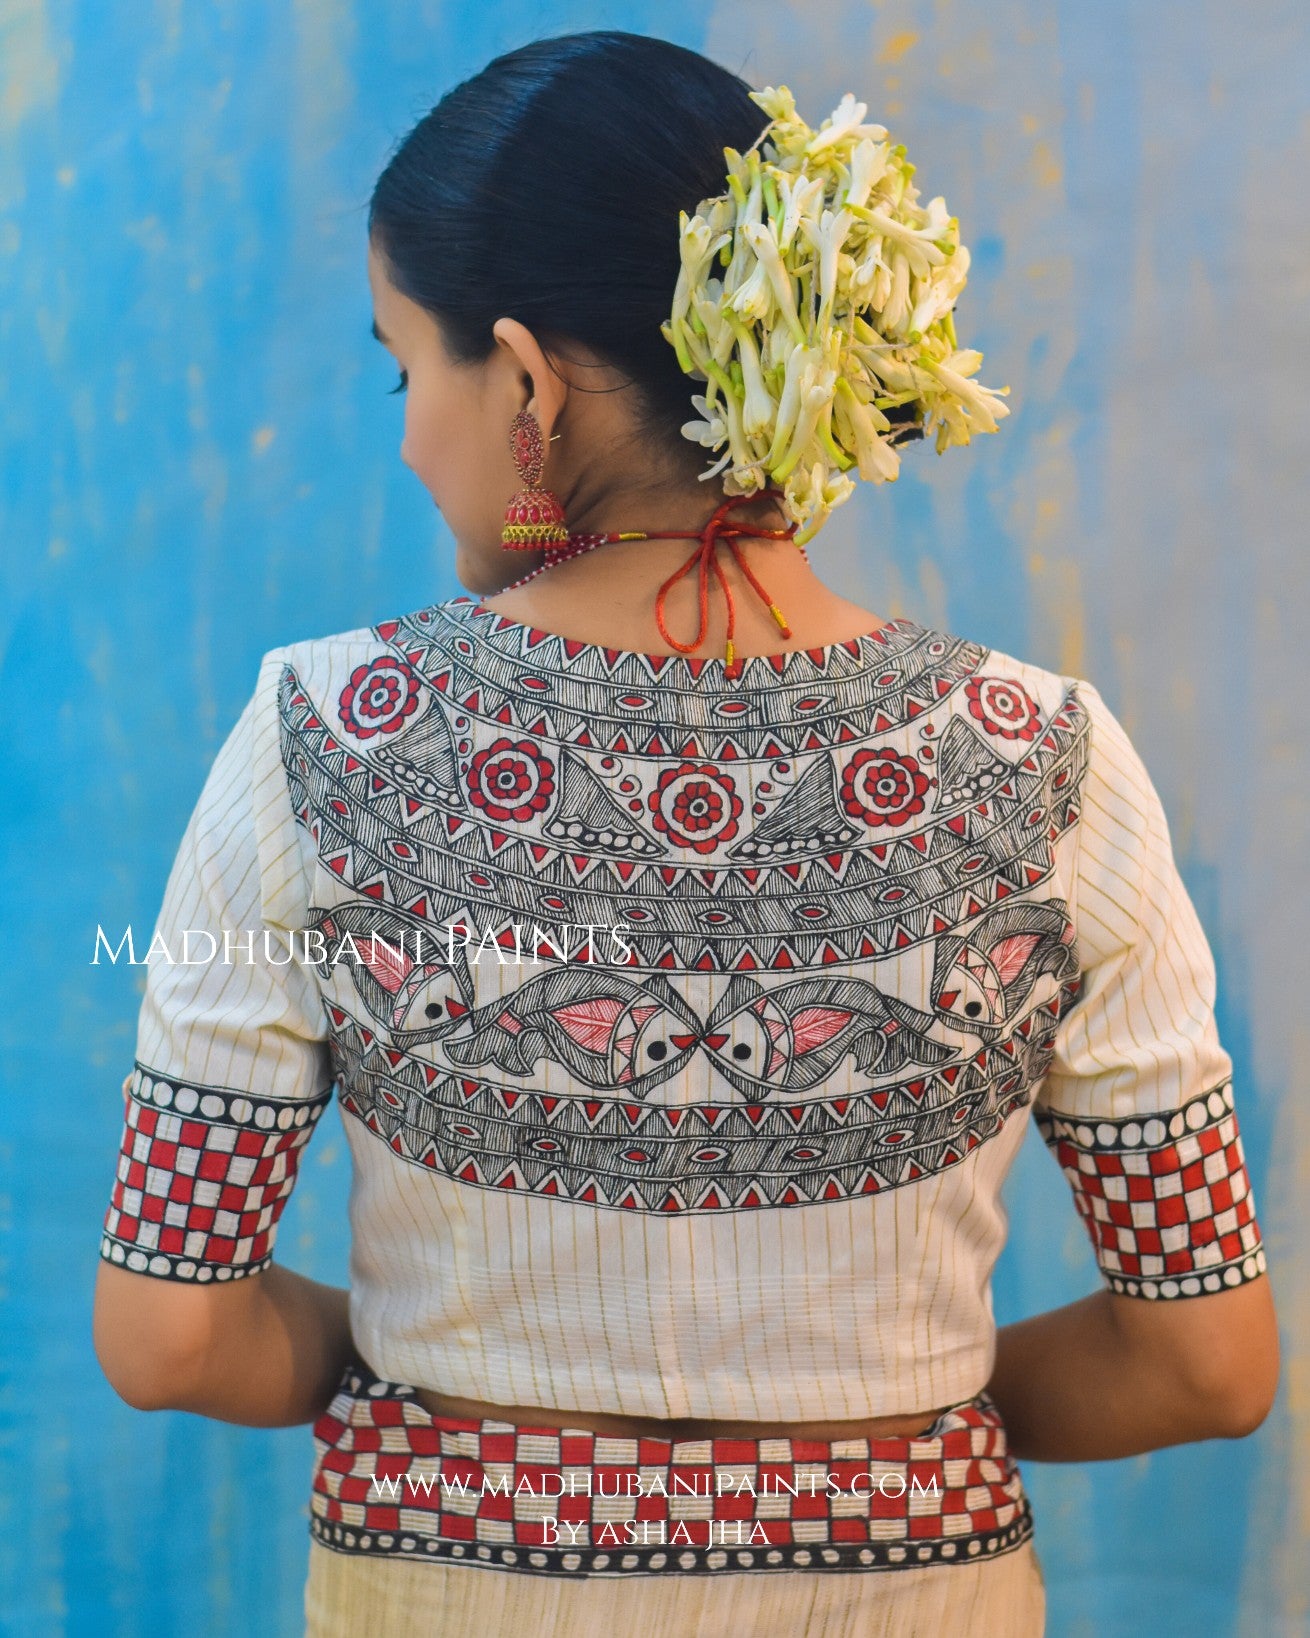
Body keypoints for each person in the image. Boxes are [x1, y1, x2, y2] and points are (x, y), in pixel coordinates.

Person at [91, 30, 1278, 1638]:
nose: (400, 436)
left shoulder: (319, 735)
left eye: (404, 367)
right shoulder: (1049, 760)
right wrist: (869, 1414)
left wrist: (448, 1381)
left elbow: (167, 1333)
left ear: (524, 380)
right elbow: (1206, 1360)